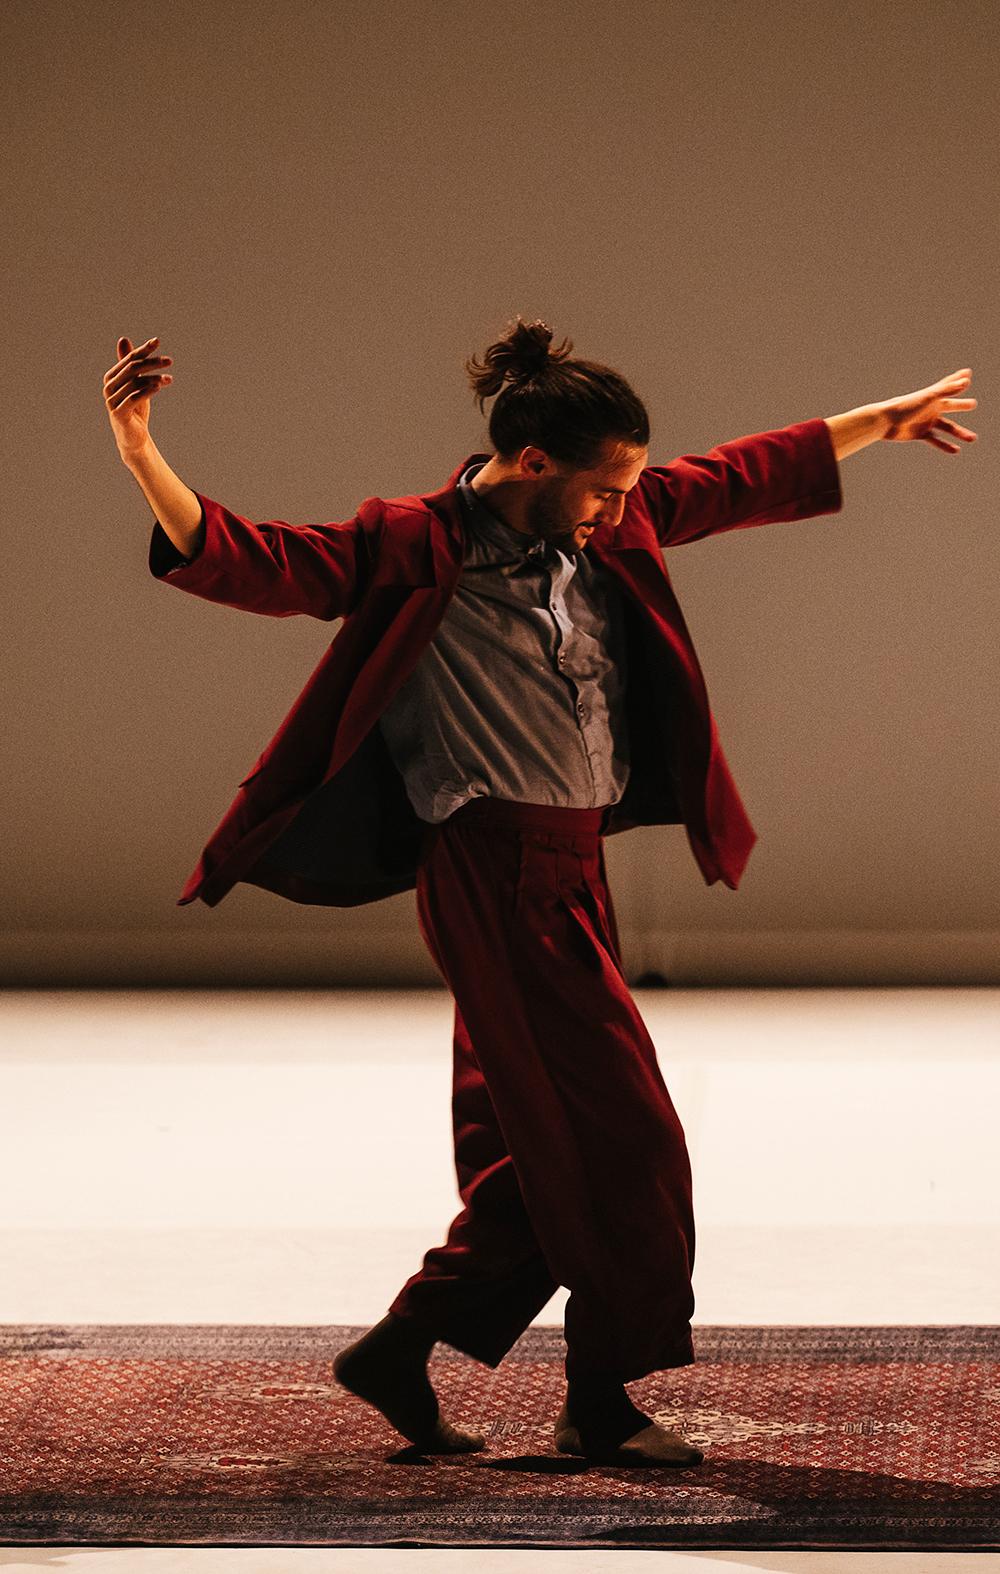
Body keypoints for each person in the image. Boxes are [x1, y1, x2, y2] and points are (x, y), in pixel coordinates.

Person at [104, 317, 977, 1466]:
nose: (622, 505)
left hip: (574, 862)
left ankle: (404, 1345)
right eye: (604, 486)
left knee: (536, 1139)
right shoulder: (418, 541)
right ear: (530, 463)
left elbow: (736, 476)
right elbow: (261, 560)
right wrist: (140, 451)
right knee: (628, 1136)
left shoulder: (609, 524)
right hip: (494, 864)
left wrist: (879, 420)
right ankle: (601, 1399)